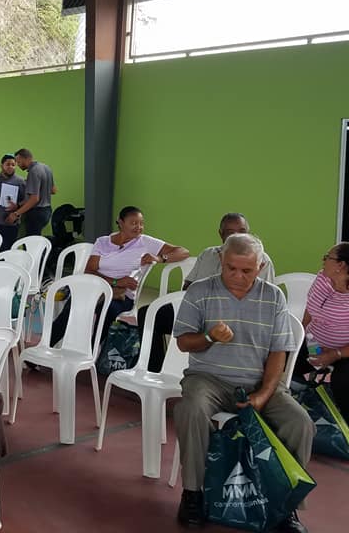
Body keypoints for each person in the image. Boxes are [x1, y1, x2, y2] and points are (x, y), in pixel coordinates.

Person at [172, 233, 313, 532]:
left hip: (258, 381)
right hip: (208, 379)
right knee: (190, 409)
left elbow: (278, 352)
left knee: (300, 423)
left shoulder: (273, 297)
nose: (237, 276)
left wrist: (264, 393)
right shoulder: (200, 290)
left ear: (260, 267)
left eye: (247, 270)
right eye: (230, 268)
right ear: (221, 261)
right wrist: (209, 336)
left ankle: (284, 506)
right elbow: (183, 342)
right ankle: (193, 494)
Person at [138, 212, 275, 372]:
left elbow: (264, 301)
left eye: (242, 231)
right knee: (149, 313)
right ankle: (154, 369)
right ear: (221, 234)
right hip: (199, 313)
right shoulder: (208, 254)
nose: (237, 236)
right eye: (230, 232)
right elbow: (188, 287)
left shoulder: (261, 260)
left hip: (236, 319)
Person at [49, 206, 190, 346]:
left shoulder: (145, 242)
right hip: (97, 290)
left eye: (141, 223)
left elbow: (183, 252)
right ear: (121, 222)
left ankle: (91, 351)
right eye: (133, 223)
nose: (139, 227)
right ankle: (47, 344)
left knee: (107, 310)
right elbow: (90, 270)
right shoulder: (103, 242)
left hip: (123, 296)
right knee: (74, 304)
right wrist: (116, 281)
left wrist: (160, 258)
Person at [293, 242, 349, 419]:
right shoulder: (322, 279)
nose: (323, 261)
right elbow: (310, 309)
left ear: (340, 265)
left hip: (344, 352)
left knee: (343, 382)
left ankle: (343, 424)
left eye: (327, 257)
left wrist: (334, 354)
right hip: (314, 342)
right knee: (282, 359)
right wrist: (303, 336)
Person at [11, 148, 56, 236]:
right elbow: (53, 190)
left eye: (18, 162)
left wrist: (16, 213)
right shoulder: (46, 167)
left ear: (26, 158)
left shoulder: (33, 171)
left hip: (36, 212)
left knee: (31, 240)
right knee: (36, 238)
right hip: (47, 211)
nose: (18, 165)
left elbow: (34, 199)